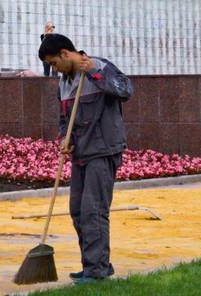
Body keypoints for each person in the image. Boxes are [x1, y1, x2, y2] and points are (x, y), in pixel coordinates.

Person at [39, 32, 132, 285]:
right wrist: (64, 138)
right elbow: (64, 118)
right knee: (78, 211)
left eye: (54, 63)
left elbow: (125, 90)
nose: (54, 69)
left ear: (65, 54)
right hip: (80, 153)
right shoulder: (64, 82)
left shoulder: (99, 66)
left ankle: (96, 270)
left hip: (103, 150)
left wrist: (94, 73)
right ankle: (95, 263)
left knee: (94, 210)